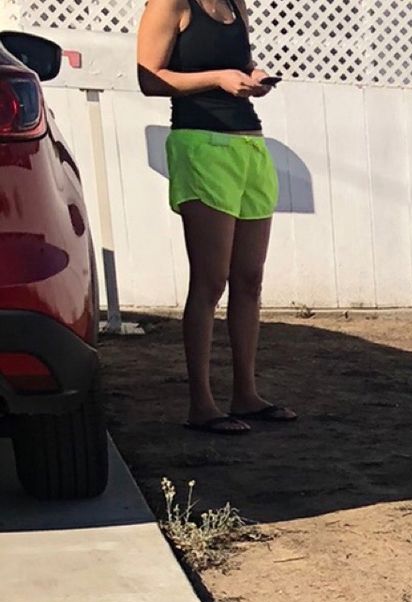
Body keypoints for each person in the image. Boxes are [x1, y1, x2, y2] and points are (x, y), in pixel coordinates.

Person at [136, 0, 295, 434]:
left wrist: (253, 76)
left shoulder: (235, 4)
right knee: (210, 280)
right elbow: (149, 78)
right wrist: (217, 80)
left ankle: (246, 394)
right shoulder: (170, 4)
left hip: (250, 145)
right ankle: (201, 404)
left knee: (250, 278)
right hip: (200, 144)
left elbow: (239, 63)